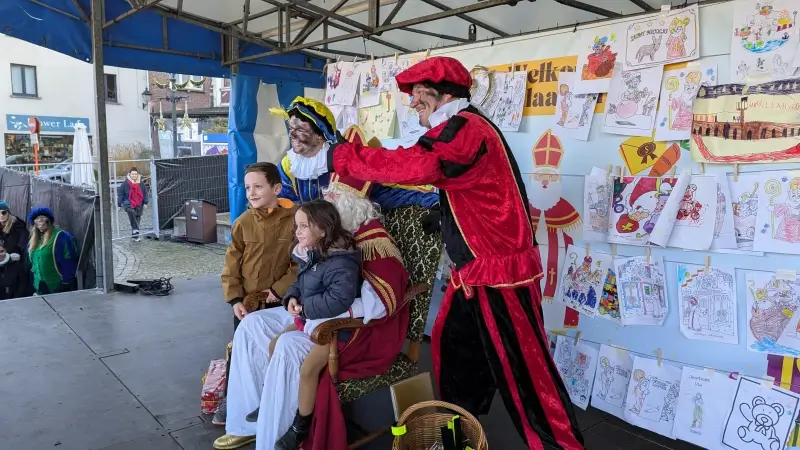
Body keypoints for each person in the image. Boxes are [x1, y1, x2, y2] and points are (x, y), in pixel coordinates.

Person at [331, 56, 584, 450]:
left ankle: (562, 446)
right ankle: (456, 437)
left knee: (527, 375)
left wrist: (347, 157)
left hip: (501, 273)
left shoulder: (467, 129)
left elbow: (421, 165)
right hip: (476, 271)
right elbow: (463, 186)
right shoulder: (462, 128)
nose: (414, 107)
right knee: (454, 354)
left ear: (442, 96)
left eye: (419, 98)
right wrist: (442, 217)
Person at [214, 175, 409, 450]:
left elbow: (381, 298)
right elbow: (306, 275)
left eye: (334, 198)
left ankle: (283, 432)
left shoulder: (372, 240)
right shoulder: (330, 238)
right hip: (314, 307)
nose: (327, 202)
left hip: (349, 323)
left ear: (349, 206)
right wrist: (294, 296)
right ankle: (249, 422)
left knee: (286, 346)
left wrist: (313, 308)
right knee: (251, 325)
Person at [215, 162, 298, 426]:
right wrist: (235, 299)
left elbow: (299, 264)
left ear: (276, 188)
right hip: (249, 304)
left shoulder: (295, 221)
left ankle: (270, 399)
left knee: (272, 352)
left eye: (258, 186)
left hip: (279, 304)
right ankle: (232, 396)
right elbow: (231, 265)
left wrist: (278, 290)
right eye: (248, 187)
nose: (251, 192)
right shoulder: (242, 223)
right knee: (239, 351)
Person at [274, 200, 361, 450]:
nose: (297, 232)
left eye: (303, 226)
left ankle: (300, 426)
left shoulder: (341, 259)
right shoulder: (312, 252)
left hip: (336, 326)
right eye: (296, 226)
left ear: (323, 229)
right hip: (312, 317)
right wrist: (291, 297)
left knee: (308, 369)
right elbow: (301, 282)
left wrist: (306, 308)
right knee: (275, 343)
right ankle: (272, 396)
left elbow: (340, 299)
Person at [268, 97, 439, 209]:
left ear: (320, 134)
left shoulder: (344, 161)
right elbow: (282, 200)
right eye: (291, 128)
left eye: (300, 129)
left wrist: (434, 203)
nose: (292, 134)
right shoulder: (288, 164)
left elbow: (387, 191)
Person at [27, 207, 79, 295]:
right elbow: (32, 265)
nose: (41, 222)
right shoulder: (34, 241)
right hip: (39, 287)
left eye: (43, 218)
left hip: (58, 286)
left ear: (49, 220)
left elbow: (69, 261)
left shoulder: (62, 237)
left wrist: (65, 283)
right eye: (37, 219)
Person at [117, 167, 148, 241]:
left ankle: (135, 236)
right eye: (133, 174)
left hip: (139, 203)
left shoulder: (141, 183)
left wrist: (145, 202)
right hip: (128, 202)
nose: (134, 175)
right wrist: (119, 203)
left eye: (135, 174)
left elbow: (145, 193)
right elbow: (120, 193)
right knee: (132, 212)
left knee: (137, 218)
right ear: (130, 175)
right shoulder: (125, 184)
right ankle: (136, 230)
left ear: (137, 175)